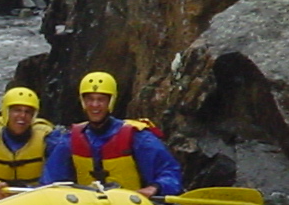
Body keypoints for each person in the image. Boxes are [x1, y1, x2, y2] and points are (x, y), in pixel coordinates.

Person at [41, 70, 185, 197]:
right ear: (83, 102)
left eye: (101, 100)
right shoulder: (70, 139)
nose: (95, 105)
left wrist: (155, 187)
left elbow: (169, 172)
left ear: (111, 102)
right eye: (90, 99)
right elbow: (50, 181)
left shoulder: (138, 137)